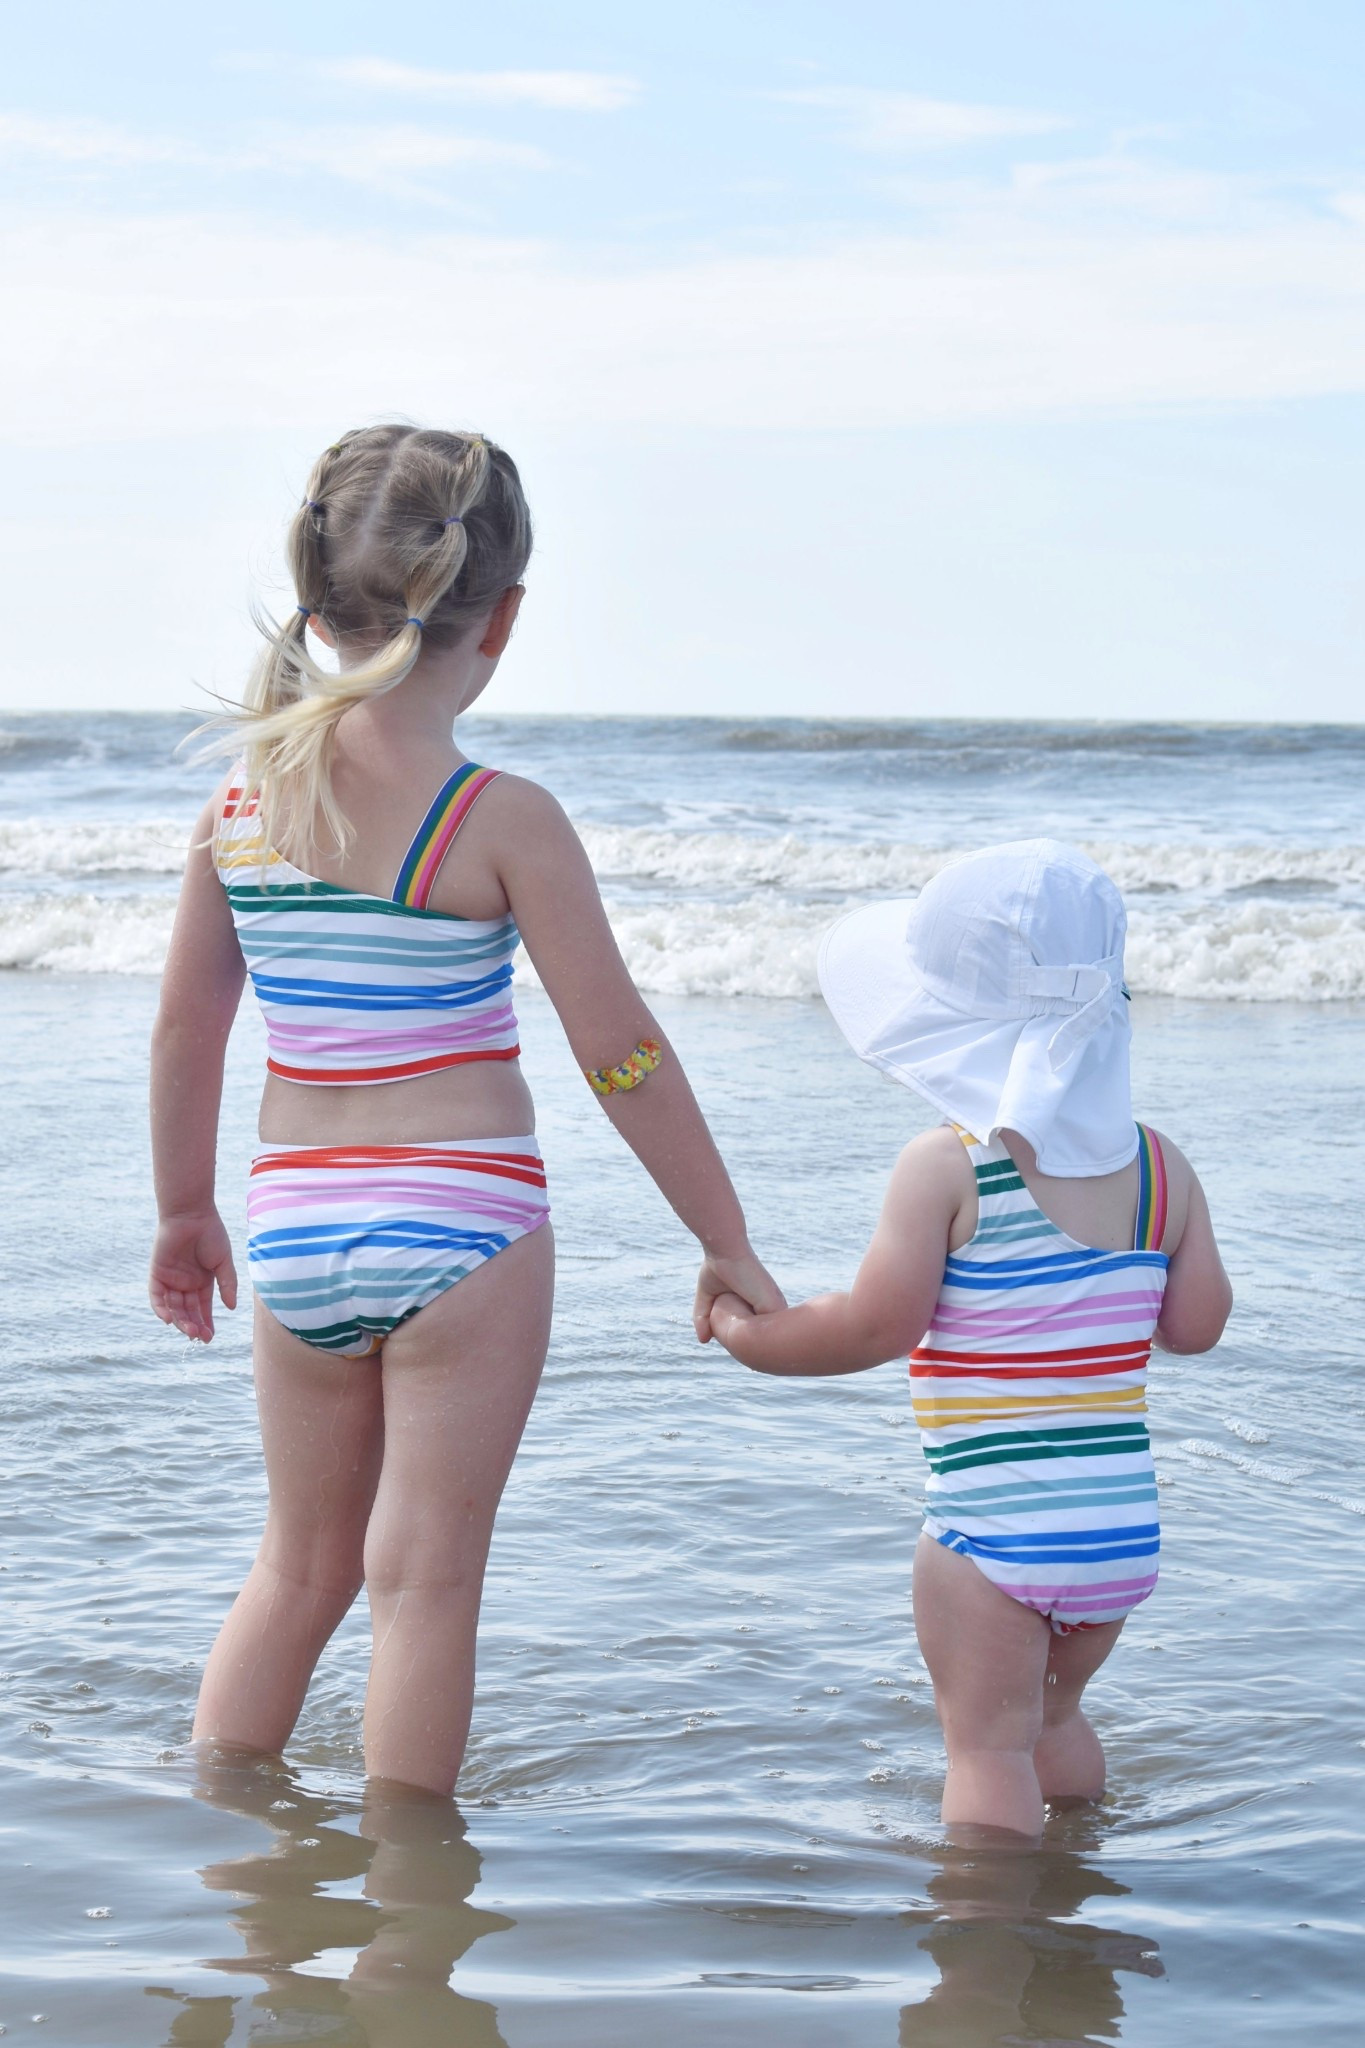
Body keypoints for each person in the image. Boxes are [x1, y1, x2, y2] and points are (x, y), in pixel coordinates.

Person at [148, 422, 781, 1796]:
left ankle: (230, 1888)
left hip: (299, 1223)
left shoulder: (242, 805)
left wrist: (185, 1211)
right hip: (463, 1222)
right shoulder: (502, 819)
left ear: (318, 605)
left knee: (296, 1564)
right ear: (503, 620)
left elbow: (191, 1019)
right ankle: (406, 1943)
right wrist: (723, 1236)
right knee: (425, 1585)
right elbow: (621, 1052)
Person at [705, 841, 1231, 1836]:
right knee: (1052, 1715)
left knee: (984, 1746)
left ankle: (984, 1953)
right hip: (1116, 1533)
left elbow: (873, 1322)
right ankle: (1076, 1887)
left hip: (994, 1532)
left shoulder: (950, 1167)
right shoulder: (1165, 1169)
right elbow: (1197, 1326)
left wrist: (750, 1333)